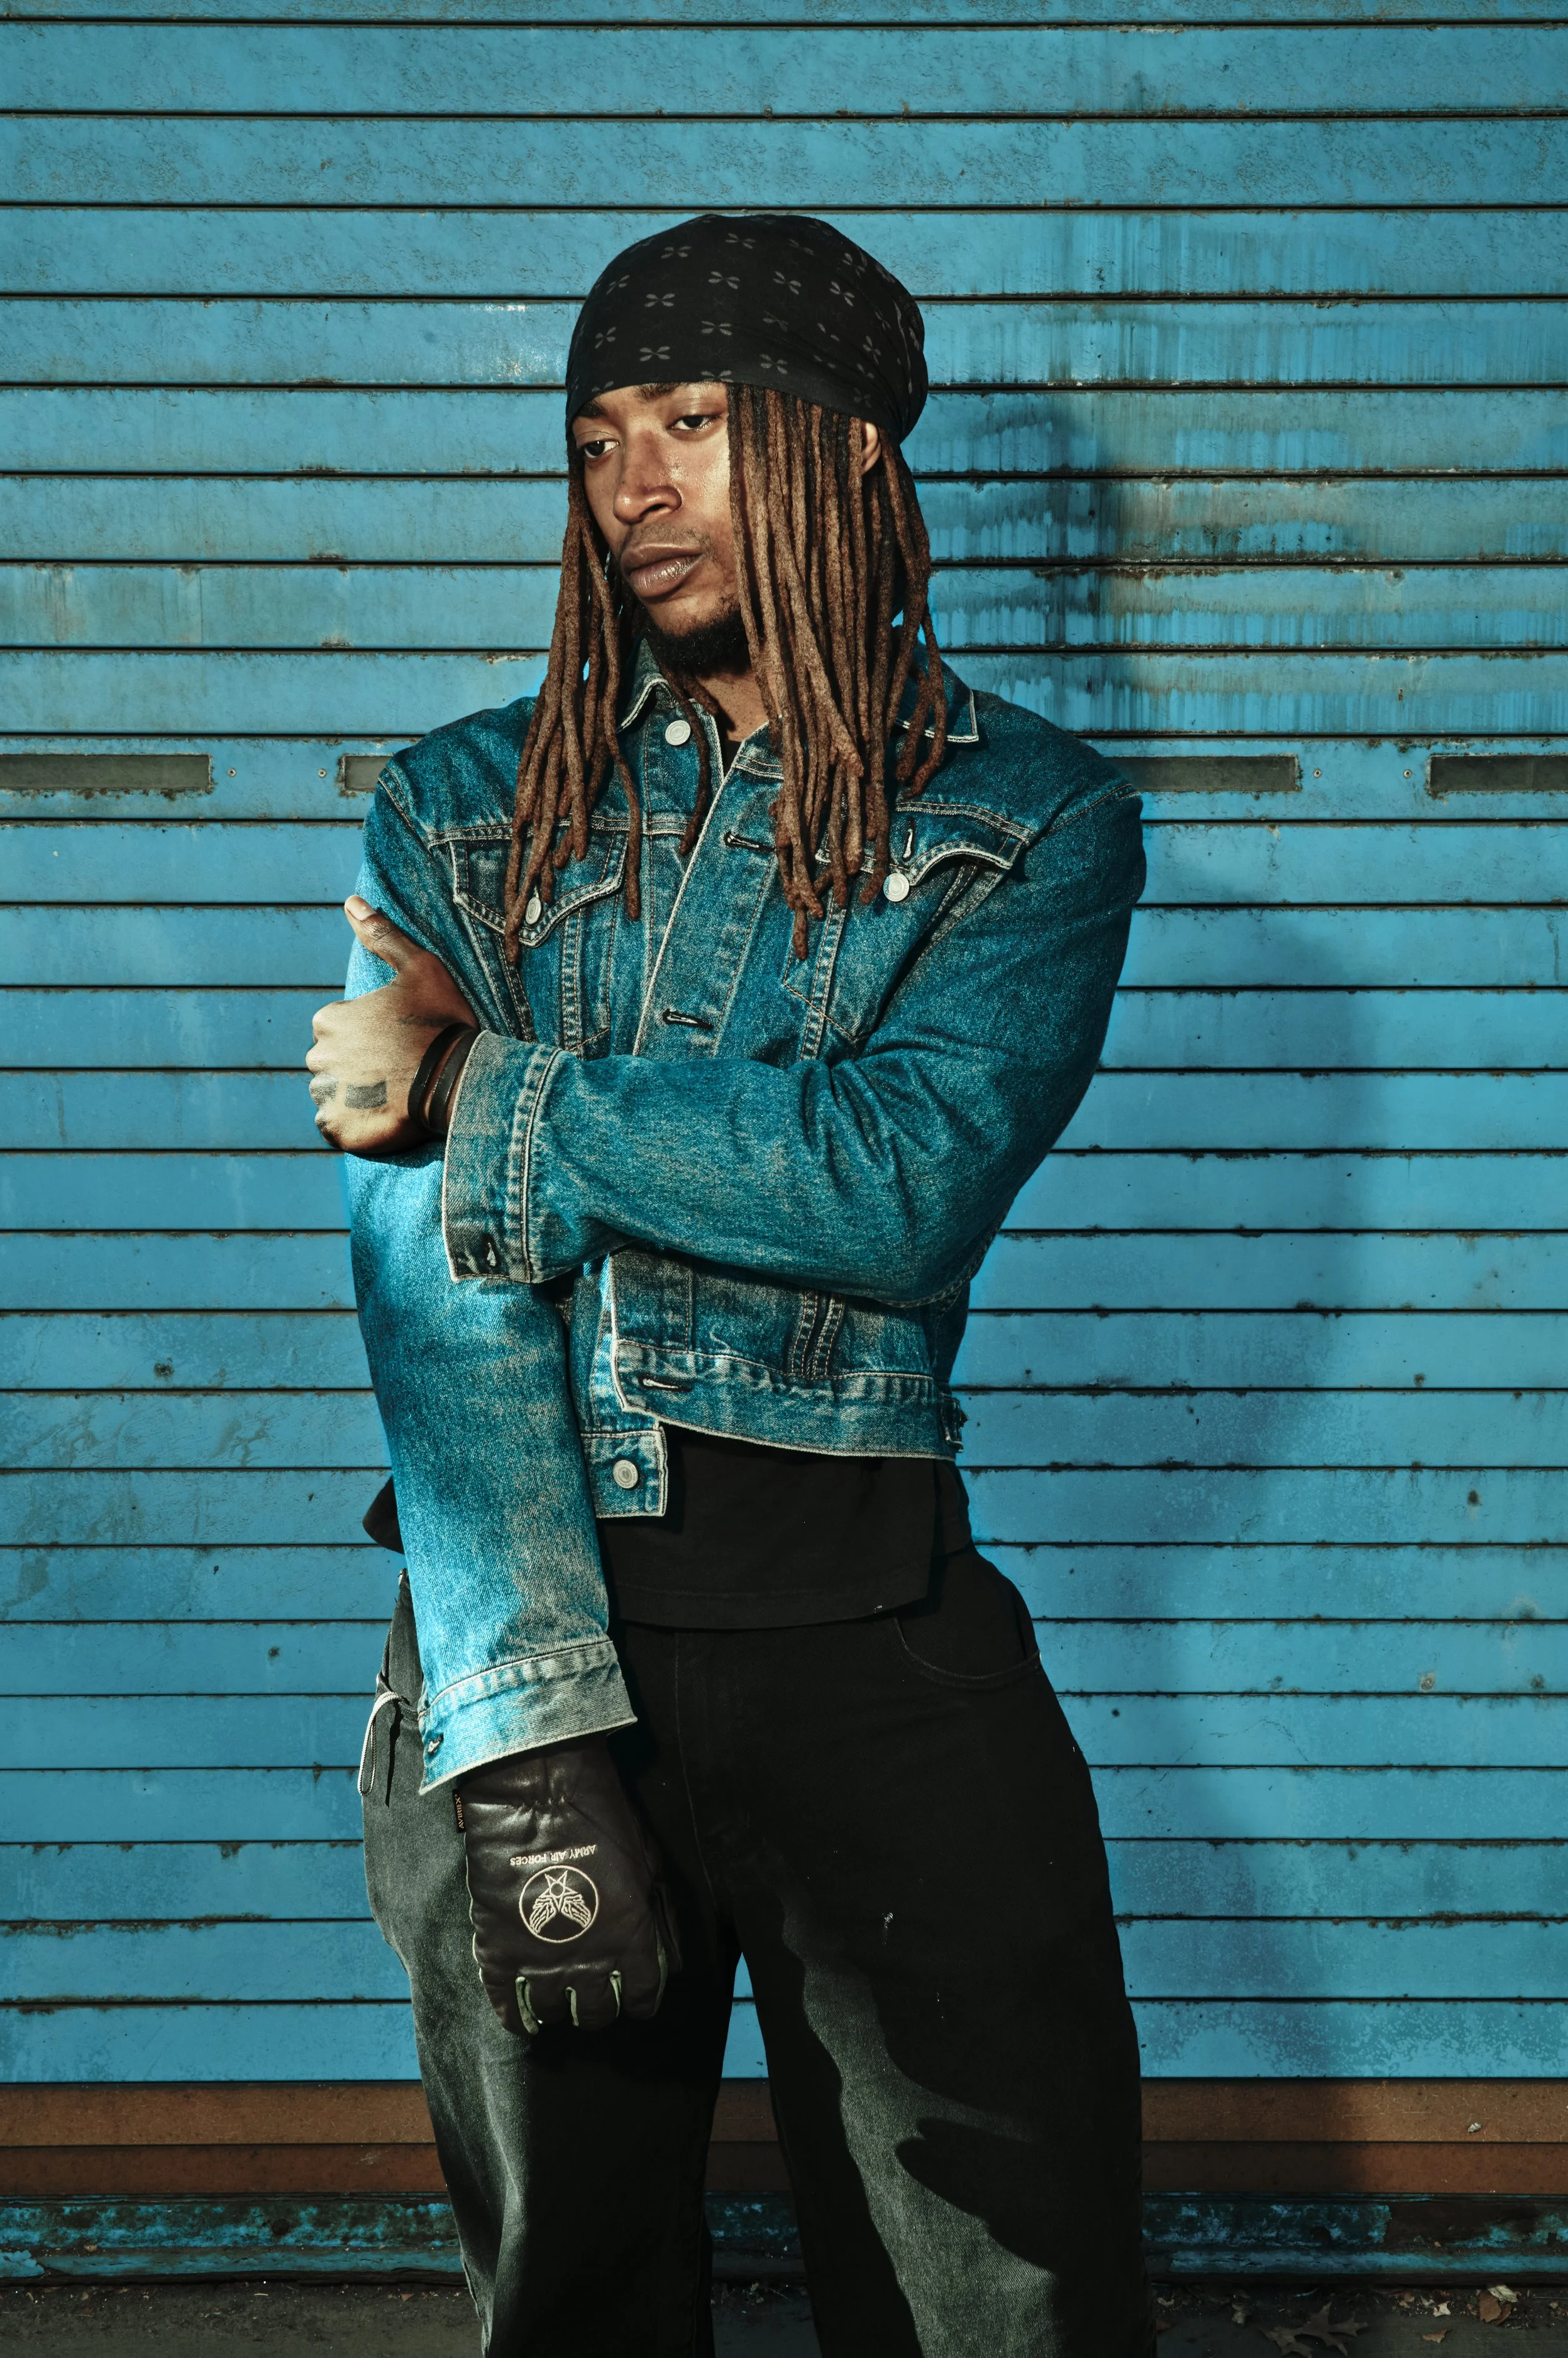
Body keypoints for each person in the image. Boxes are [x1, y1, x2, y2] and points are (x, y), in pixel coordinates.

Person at [307, 212, 1152, 2358]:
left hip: (872, 1637)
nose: (634, 487)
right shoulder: (467, 807)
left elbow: (898, 1186)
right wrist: (520, 1744)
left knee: (1002, 2292)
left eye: (694, 422)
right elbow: (436, 1294)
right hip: (531, 1639)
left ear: (858, 454)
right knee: (570, 2299)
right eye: (599, 438)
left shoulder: (1028, 821)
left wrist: (483, 1086)